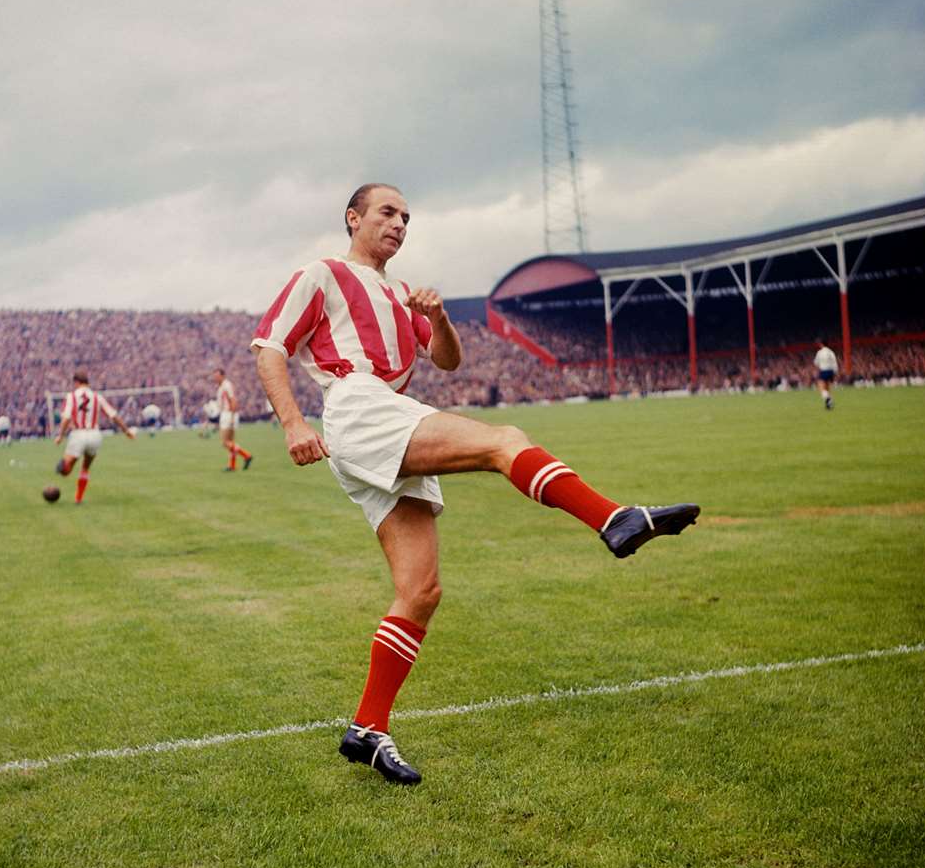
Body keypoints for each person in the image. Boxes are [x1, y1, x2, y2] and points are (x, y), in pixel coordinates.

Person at [251, 183, 700, 786]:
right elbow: (269, 348)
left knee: (421, 590)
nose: (399, 224)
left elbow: (447, 361)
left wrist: (436, 318)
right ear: (353, 218)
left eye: (406, 217)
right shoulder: (324, 274)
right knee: (504, 440)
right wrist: (292, 422)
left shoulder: (402, 295)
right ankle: (614, 518)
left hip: (387, 407)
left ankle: (368, 728)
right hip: (359, 406)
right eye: (386, 212)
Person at [53, 370, 135, 503]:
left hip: (78, 434)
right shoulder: (97, 397)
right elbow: (113, 415)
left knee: (65, 469)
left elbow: (66, 418)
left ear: (76, 382)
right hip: (95, 435)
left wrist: (60, 435)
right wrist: (127, 431)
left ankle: (63, 469)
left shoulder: (71, 396)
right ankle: (78, 498)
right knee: (85, 467)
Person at [213, 367, 252, 471]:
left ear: (222, 375)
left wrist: (231, 416)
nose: (215, 378)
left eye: (216, 376)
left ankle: (246, 456)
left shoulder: (226, 385)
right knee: (231, 442)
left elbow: (233, 400)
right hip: (227, 414)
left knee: (225, 442)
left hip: (228, 414)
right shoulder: (222, 386)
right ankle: (232, 465)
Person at [814, 340, 838, 409]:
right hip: (831, 371)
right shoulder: (831, 352)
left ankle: (828, 400)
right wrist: (835, 372)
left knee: (821, 388)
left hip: (823, 371)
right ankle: (828, 405)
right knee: (827, 388)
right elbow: (834, 362)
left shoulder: (820, 352)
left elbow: (816, 363)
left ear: (821, 344)